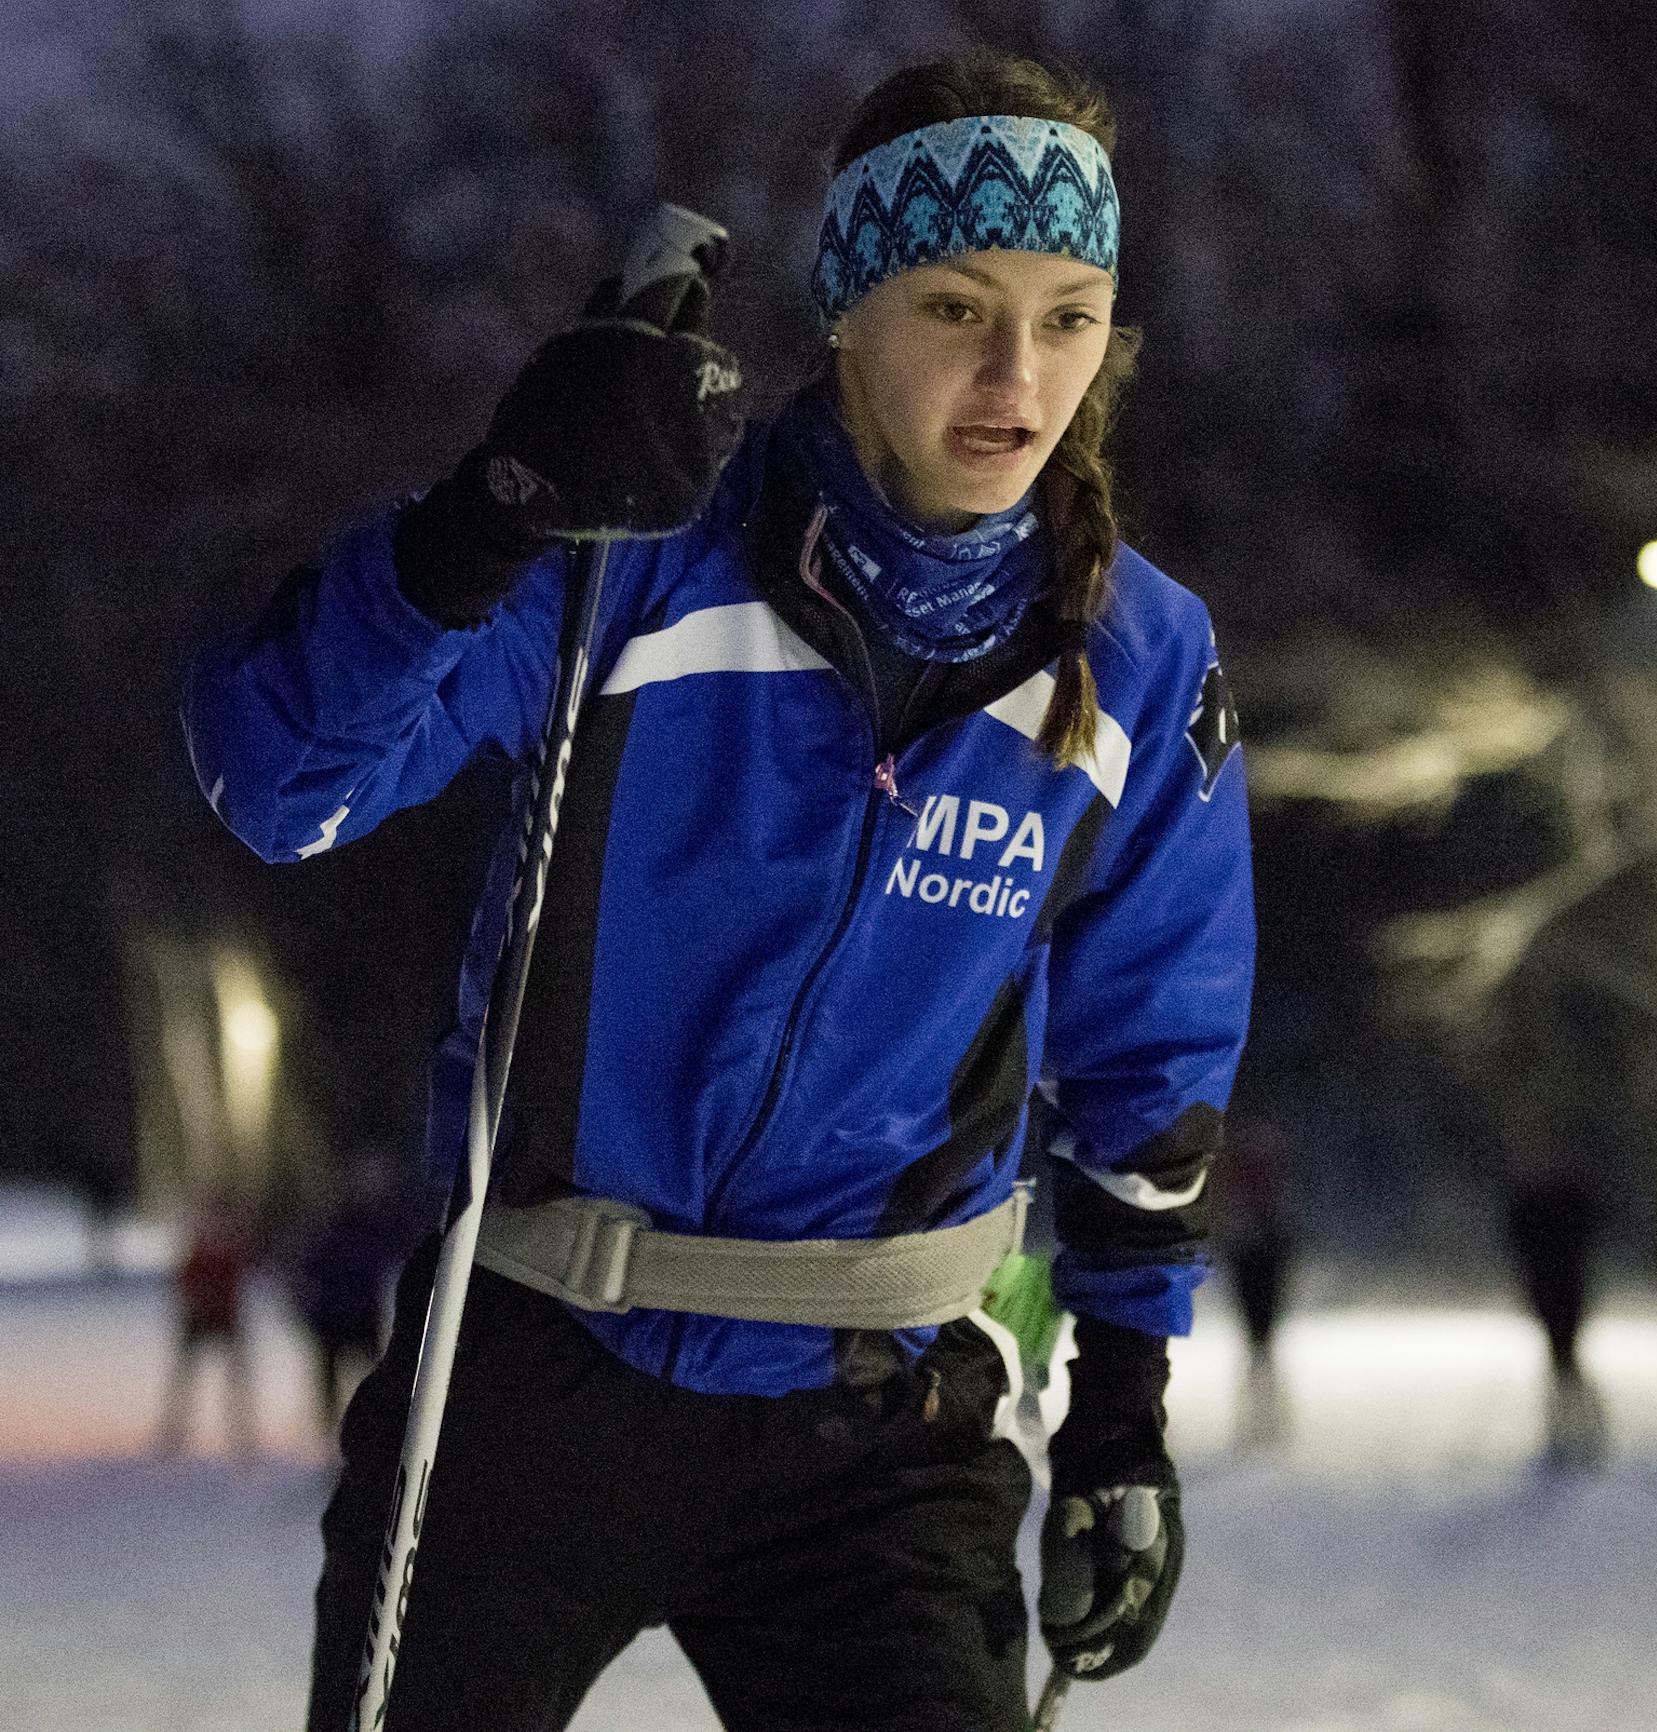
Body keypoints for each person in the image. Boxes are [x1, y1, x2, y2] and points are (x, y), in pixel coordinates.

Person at [185, 52, 1253, 1732]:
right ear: (847, 307)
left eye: (1069, 315)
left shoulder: (1132, 656)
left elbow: (1152, 1059)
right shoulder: (632, 555)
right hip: (528, 1375)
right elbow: (274, 781)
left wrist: (1123, 1413)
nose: (1016, 373)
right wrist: (490, 517)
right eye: (957, 305)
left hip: (876, 1418)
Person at [285, 1153, 412, 1445]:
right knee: (333, 1381)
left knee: (375, 1376)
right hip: (333, 1317)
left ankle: (376, 1429)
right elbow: (309, 1267)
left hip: (360, 1316)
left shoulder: (376, 1227)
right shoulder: (336, 1227)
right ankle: (332, 1436)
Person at [1502, 1165, 1605, 1470]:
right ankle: (1570, 1431)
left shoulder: (1559, 1202)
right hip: (1554, 1292)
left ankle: (1575, 1430)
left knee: (1565, 1361)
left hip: (1563, 1292)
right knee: (1563, 1361)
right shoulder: (1547, 1202)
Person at [154, 1186, 258, 1457]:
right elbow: (182, 1284)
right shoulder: (199, 1251)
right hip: (199, 1319)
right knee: (185, 1378)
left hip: (225, 1318)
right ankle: (173, 1434)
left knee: (235, 1379)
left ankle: (242, 1434)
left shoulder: (229, 1251)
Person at [1212, 1108, 1296, 1445]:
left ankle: (1262, 1416)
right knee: (1262, 1337)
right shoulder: (1267, 1152)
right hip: (1258, 1244)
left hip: (1252, 1244)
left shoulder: (1237, 1154)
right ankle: (1265, 1416)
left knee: (1257, 1336)